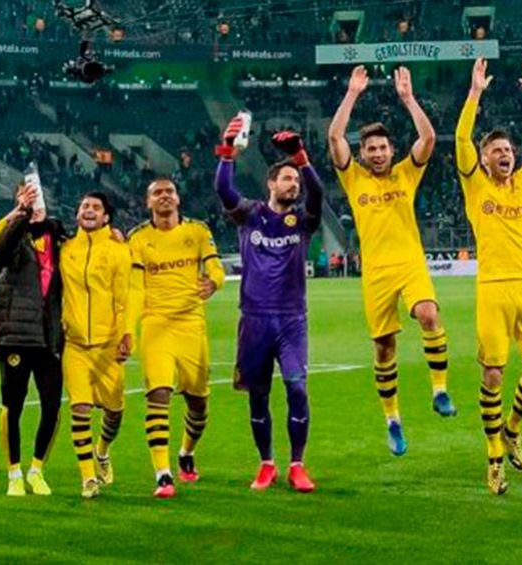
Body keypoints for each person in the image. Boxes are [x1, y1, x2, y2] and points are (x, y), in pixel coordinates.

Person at [328, 65, 456, 458]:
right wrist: (351, 94)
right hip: (376, 273)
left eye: (383, 148)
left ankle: (439, 391)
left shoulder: (406, 174)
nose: (379, 153)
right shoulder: (354, 179)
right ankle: (393, 421)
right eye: (372, 149)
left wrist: (407, 99)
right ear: (363, 153)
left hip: (410, 263)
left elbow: (430, 137)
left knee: (430, 314)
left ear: (391, 151)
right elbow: (334, 136)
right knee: (384, 348)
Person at [456, 57, 522, 494]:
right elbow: (461, 135)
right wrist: (476, 92)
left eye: (508, 150)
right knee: (494, 375)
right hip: (494, 289)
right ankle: (494, 459)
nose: (505, 154)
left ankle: (513, 427)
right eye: (496, 150)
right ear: (483, 158)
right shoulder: (475, 185)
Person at [216, 123, 323, 492]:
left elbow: (318, 193)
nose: (294, 184)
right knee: (258, 395)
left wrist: (302, 158)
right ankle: (266, 464)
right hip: (254, 321)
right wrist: (228, 149)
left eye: (296, 179)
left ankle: (297, 464)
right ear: (271, 184)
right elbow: (223, 189)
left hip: (292, 320)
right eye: (288, 179)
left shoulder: (304, 222)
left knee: (297, 389)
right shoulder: (251, 214)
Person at [126, 177, 225, 498]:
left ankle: (185, 452)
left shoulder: (197, 231)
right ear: (148, 202)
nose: (164, 196)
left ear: (178, 199)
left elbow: (215, 267)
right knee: (158, 393)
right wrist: (129, 329)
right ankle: (162, 474)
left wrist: (215, 283)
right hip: (155, 324)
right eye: (157, 193)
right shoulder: (138, 238)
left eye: (169, 192)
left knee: (198, 402)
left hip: (191, 325)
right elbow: (136, 287)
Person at [0, 183, 66, 496]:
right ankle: (13, 473)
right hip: (17, 336)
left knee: (52, 406)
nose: (37, 207)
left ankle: (37, 470)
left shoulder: (59, 241)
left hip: (48, 337)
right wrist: (20, 213)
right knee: (14, 406)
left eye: (40, 202)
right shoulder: (14, 239)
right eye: (30, 202)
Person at [59, 191, 131, 498]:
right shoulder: (64, 249)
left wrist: (126, 335)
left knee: (114, 412)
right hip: (74, 345)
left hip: (107, 346)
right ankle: (88, 477)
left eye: (96, 207)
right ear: (77, 214)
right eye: (84, 206)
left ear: (106, 217)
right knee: (81, 408)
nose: (89, 210)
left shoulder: (117, 251)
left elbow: (124, 298)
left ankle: (102, 451)